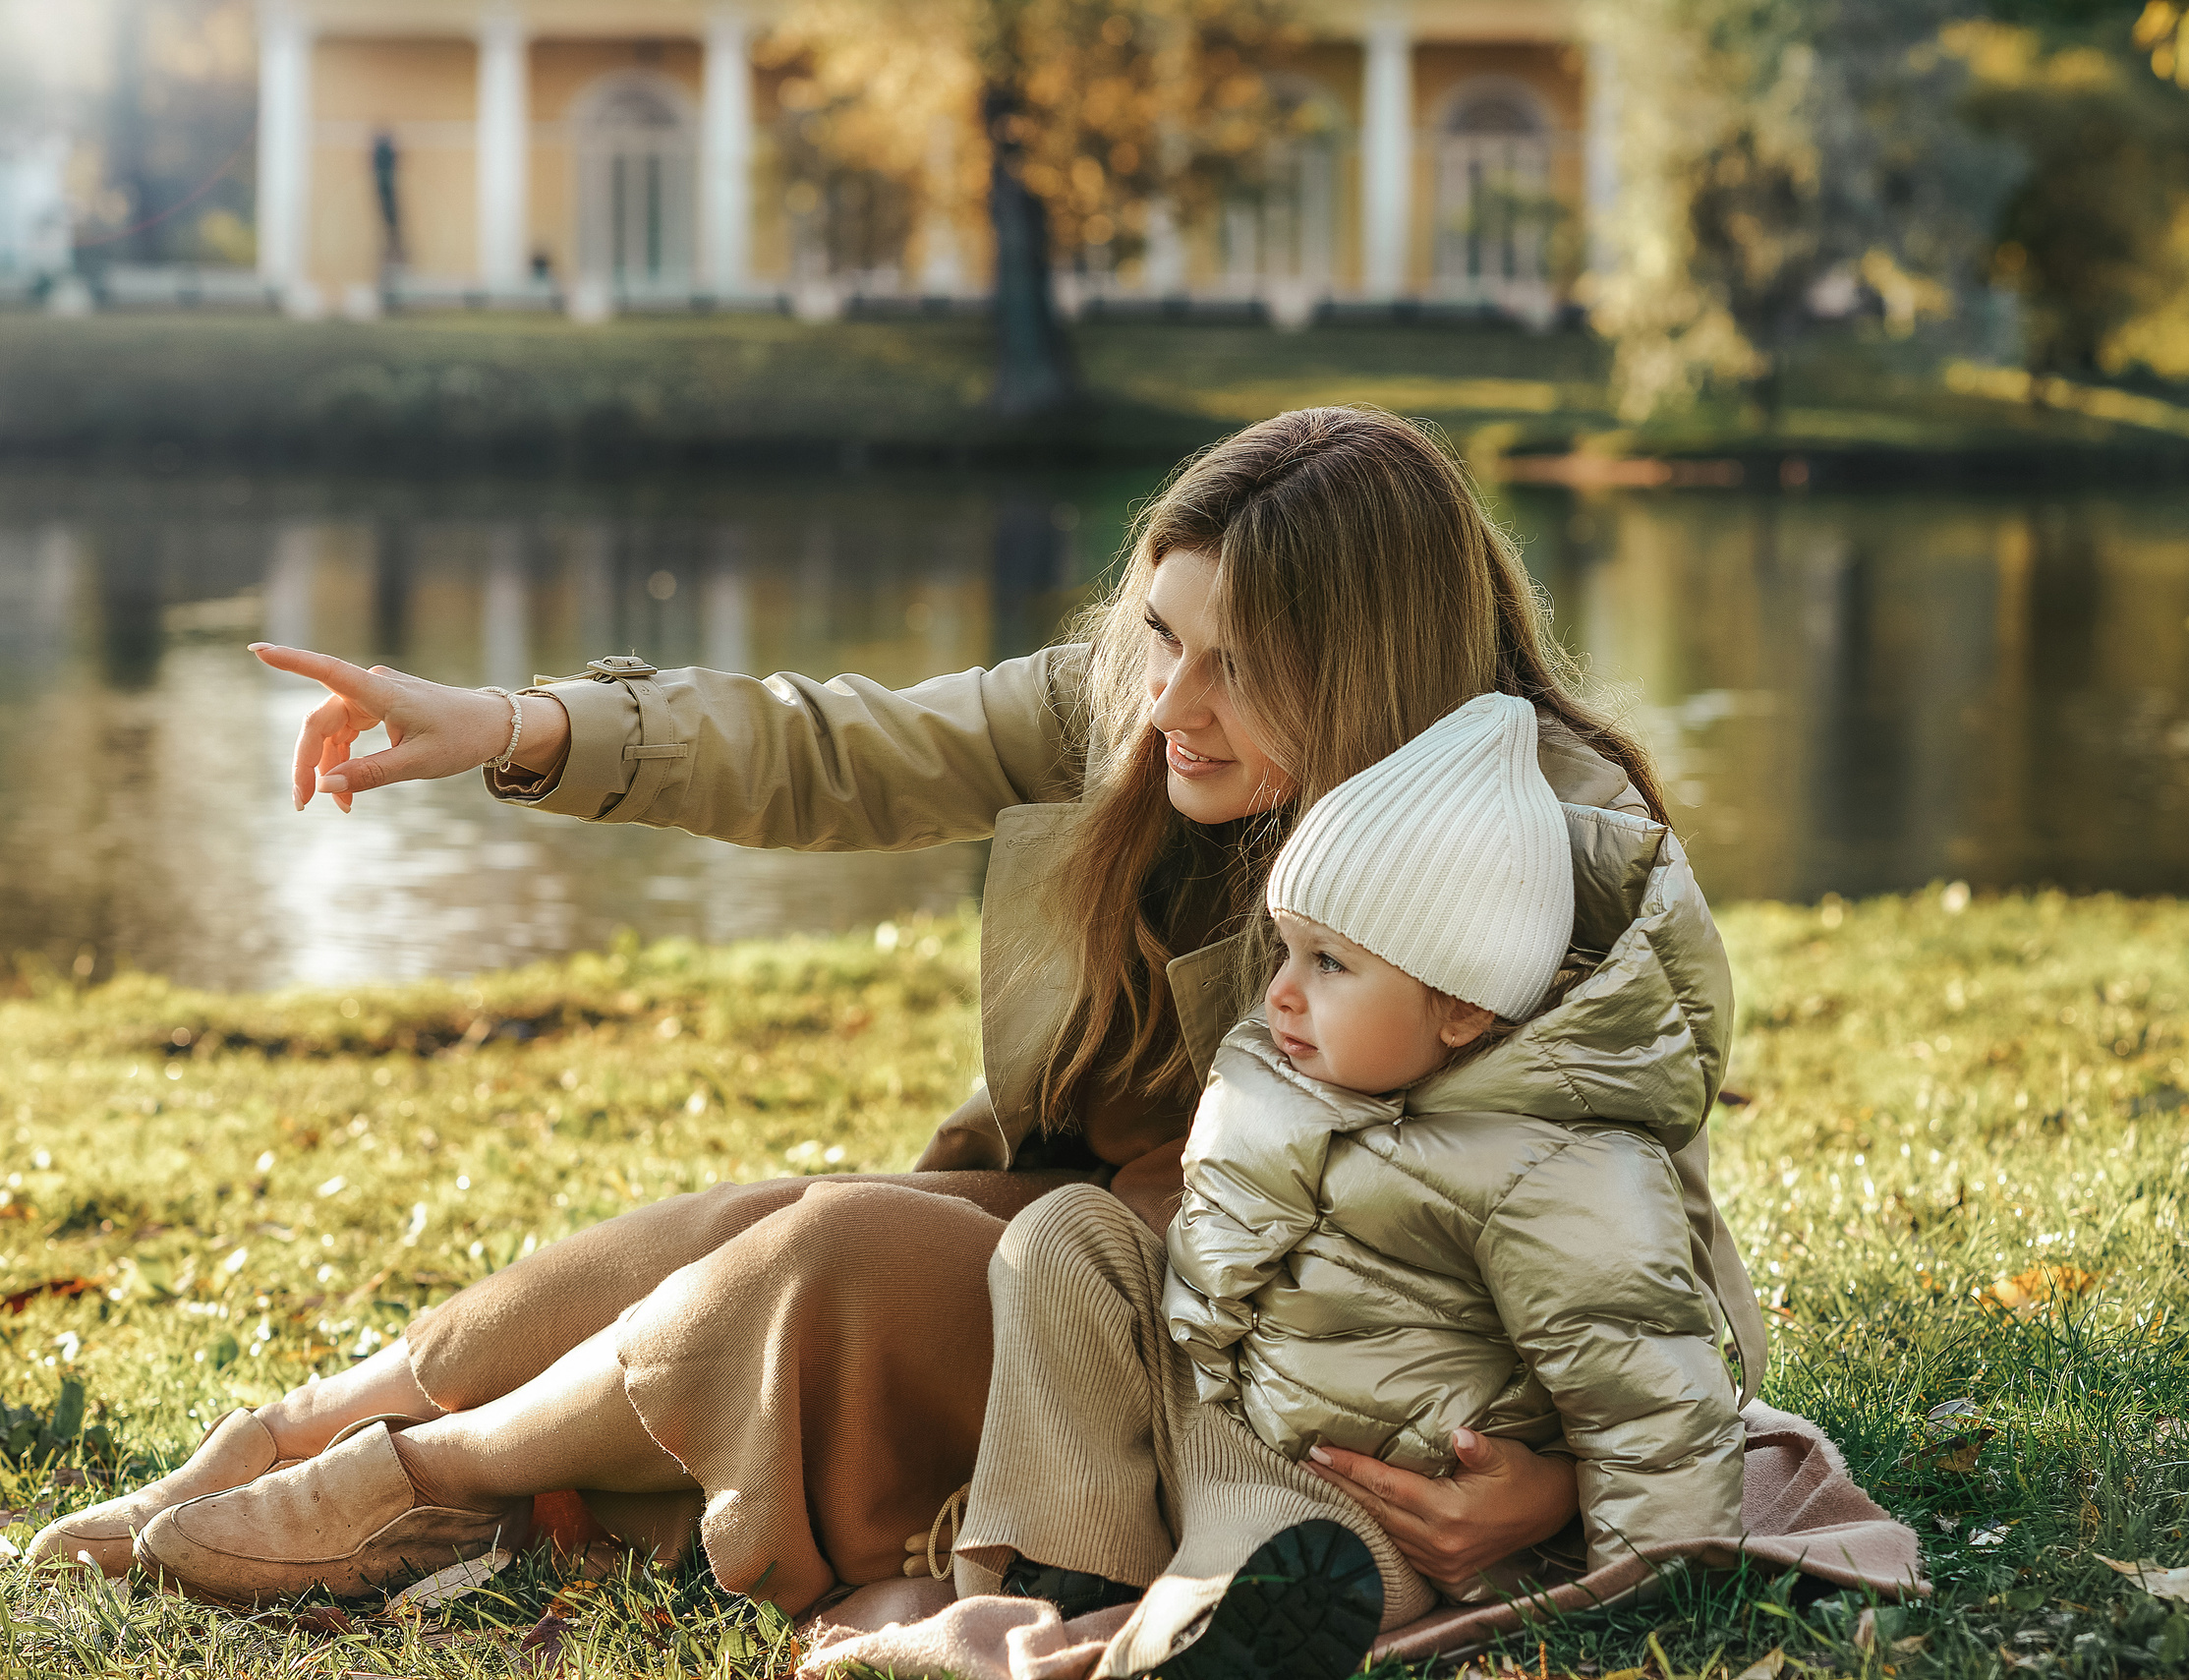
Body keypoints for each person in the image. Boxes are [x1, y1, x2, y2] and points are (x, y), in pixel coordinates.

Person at [29, 407, 1761, 1628]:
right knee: (740, 1222)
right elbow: (834, 741)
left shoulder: (1534, 836)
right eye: (1162, 634)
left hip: (1233, 1352)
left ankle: (429, 1480)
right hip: (1084, 1238)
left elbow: (1643, 1223)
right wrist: (511, 721)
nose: (1174, 699)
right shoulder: (1141, 713)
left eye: (1238, 664)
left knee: (834, 1255)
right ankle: (291, 1437)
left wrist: (1550, 1484)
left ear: (1373, 670)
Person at [949, 691, 1745, 1680]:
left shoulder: (1553, 1162)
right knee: (1065, 1232)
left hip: (1365, 1495)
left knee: (1268, 1535)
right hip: (1235, 1394)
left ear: (1459, 1007)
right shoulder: (1296, 1063)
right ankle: (1073, 1555)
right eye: (1285, 947)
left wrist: (1639, 1577)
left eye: (1327, 962)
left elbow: (1649, 1398)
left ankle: (1201, 1629)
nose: (1279, 987)